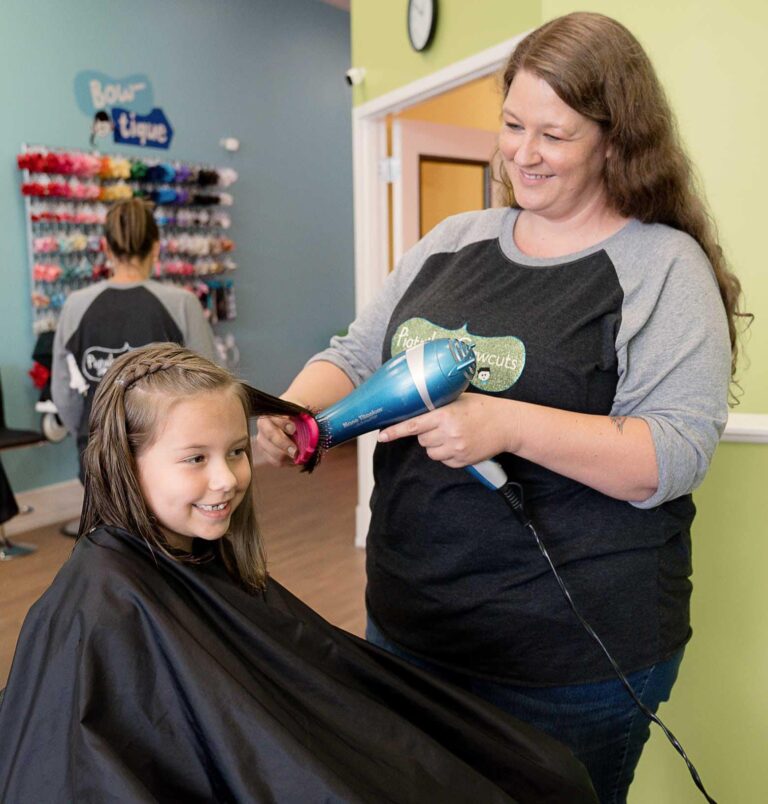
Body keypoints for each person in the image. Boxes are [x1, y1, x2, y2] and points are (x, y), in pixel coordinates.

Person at [256, 12, 749, 803]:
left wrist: (505, 422)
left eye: (553, 135)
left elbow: (674, 454)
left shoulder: (661, 267)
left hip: (568, 665)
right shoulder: (454, 240)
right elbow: (356, 354)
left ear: (616, 140)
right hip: (410, 627)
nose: (523, 152)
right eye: (513, 124)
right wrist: (289, 412)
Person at [0, 343, 597, 803]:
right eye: (195, 459)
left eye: (236, 451)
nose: (227, 479)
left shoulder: (198, 563)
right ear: (124, 461)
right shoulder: (99, 611)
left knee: (538, 770)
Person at [51, 197, 217, 533]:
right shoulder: (181, 303)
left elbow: (64, 395)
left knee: (110, 551)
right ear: (156, 248)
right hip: (169, 457)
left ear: (104, 247)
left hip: (98, 457)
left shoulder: (75, 306)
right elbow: (211, 389)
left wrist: (88, 434)